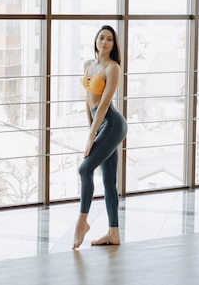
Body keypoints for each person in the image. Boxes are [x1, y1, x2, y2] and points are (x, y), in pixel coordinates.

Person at [73, 24, 128, 249]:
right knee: (108, 181)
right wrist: (91, 130)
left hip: (113, 124)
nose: (104, 42)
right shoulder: (89, 65)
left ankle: (82, 222)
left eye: (109, 39)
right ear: (96, 40)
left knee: (85, 169)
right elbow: (89, 100)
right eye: (101, 37)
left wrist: (92, 135)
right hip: (100, 123)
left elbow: (104, 103)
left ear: (114, 45)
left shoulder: (112, 68)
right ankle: (113, 233)